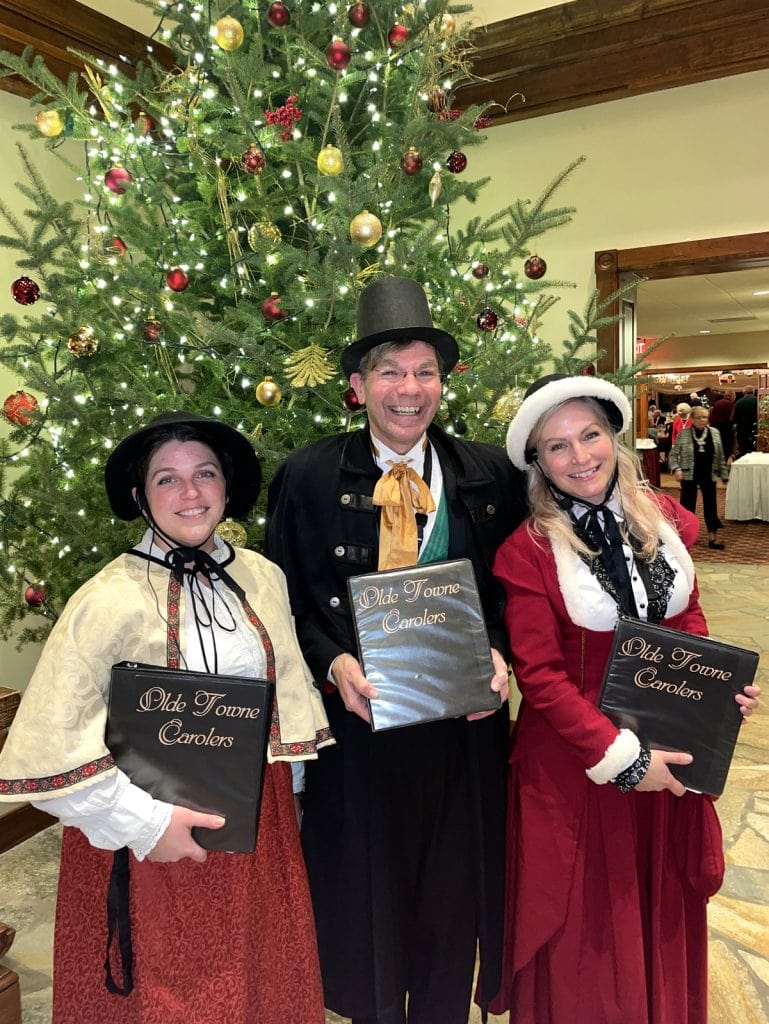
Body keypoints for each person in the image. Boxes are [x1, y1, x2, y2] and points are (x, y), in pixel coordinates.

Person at [0, 411, 333, 1024]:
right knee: (167, 995)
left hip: (260, 832)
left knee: (260, 980)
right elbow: (49, 747)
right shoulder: (106, 600)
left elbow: (287, 693)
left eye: (204, 474)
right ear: (139, 496)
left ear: (226, 488)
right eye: (167, 480)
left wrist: (295, 796)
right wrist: (145, 824)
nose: (190, 493)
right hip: (143, 839)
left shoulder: (262, 577)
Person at [266, 276, 528, 1024]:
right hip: (361, 734)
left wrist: (502, 650)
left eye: (424, 372)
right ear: (356, 385)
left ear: (442, 382)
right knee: (368, 901)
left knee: (453, 900)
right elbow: (284, 605)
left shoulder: (490, 477)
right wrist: (332, 662)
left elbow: (514, 592)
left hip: (463, 737)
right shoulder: (308, 477)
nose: (408, 390)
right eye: (389, 372)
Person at [487, 374, 759, 1024]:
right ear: (537, 463)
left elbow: (686, 616)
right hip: (578, 769)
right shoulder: (526, 550)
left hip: (665, 740)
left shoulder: (660, 518)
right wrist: (620, 758)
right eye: (557, 446)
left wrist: (712, 695)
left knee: (658, 904)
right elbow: (541, 675)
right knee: (591, 930)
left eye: (589, 435)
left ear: (612, 438)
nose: (579, 456)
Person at [670, 404, 729, 549]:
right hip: (689, 473)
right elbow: (673, 455)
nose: (703, 420)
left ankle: (712, 538)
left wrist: (724, 474)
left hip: (709, 474)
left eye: (706, 417)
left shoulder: (714, 432)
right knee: (687, 506)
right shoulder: (684, 434)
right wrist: (676, 468)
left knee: (711, 506)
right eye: (700, 417)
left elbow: (720, 455)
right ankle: (685, 537)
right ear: (692, 419)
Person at [709, 389, 736, 461]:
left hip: (715, 429)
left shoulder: (717, 403)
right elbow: (730, 418)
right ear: (731, 396)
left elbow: (711, 417)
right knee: (726, 449)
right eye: (734, 396)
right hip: (726, 430)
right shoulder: (730, 404)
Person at [732, 385, 758, 456]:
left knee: (744, 450)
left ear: (744, 393)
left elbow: (733, 418)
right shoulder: (758, 401)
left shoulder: (738, 403)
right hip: (756, 428)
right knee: (756, 449)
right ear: (753, 392)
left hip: (742, 430)